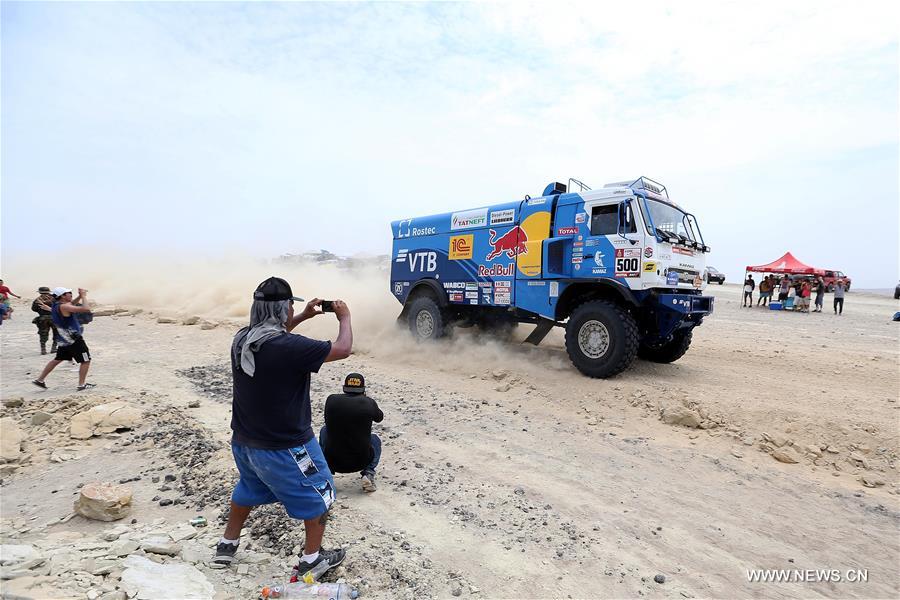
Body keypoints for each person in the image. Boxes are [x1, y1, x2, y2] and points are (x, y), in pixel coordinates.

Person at [211, 277, 353, 579]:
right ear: (281, 308)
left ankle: (227, 543)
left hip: (245, 442)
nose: (292, 309)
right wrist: (345, 317)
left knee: (249, 488)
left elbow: (274, 338)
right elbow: (343, 349)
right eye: (291, 305)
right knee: (322, 491)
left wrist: (304, 316)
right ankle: (313, 559)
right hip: (286, 445)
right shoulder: (289, 347)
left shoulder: (242, 339)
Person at [319, 373, 384, 493]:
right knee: (375, 438)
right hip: (361, 461)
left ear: (344, 388)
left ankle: (325, 473)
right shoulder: (368, 402)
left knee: (324, 430)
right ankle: (368, 473)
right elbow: (379, 418)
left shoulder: (331, 399)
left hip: (334, 461)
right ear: (363, 390)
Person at [32, 288, 93, 390]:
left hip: (64, 339)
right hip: (74, 339)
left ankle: (40, 380)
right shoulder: (64, 306)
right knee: (86, 360)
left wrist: (78, 296)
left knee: (58, 359)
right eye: (69, 293)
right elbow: (86, 309)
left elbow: (71, 304)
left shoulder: (57, 305)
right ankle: (82, 385)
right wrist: (83, 296)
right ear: (63, 296)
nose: (70, 294)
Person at [31, 286, 58, 355]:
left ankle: (43, 349)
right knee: (57, 333)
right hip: (54, 318)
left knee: (43, 334)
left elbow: (33, 309)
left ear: (40, 292)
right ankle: (54, 348)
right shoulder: (54, 299)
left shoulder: (37, 300)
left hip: (42, 319)